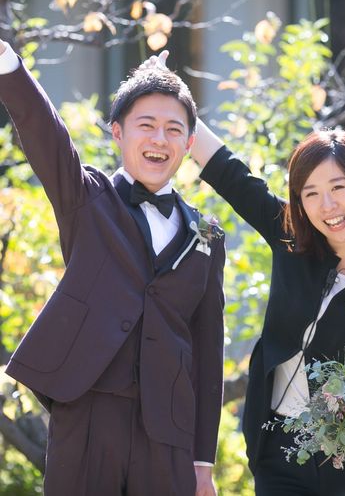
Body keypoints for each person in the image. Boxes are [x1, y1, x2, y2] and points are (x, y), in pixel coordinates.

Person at [0, 39, 225, 496]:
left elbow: (208, 350)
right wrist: (7, 64)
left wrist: (203, 461)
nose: (159, 139)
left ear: (188, 144)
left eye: (173, 130)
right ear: (118, 132)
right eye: (146, 125)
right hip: (87, 408)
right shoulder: (88, 198)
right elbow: (46, 133)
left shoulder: (208, 234)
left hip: (168, 430)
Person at [175, 60, 345, 494]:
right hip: (276, 447)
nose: (327, 206)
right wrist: (175, 96)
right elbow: (231, 174)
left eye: (338, 188)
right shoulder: (292, 239)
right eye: (310, 193)